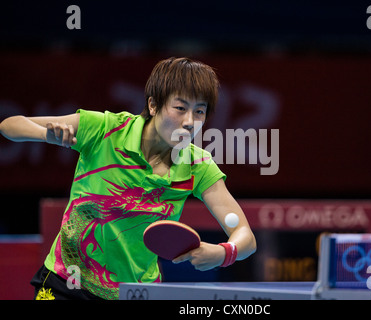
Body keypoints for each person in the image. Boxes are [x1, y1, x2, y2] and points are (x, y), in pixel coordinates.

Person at [0, 57, 257, 300]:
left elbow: (245, 236)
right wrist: (46, 135)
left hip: (134, 293)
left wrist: (224, 252)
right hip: (66, 284)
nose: (190, 121)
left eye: (199, 112)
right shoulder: (103, 129)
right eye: (180, 108)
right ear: (153, 105)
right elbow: (10, 125)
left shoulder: (198, 166)